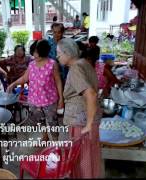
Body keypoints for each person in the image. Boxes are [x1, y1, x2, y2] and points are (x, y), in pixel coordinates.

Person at [57, 38, 102, 178]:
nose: (57, 56)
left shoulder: (76, 68)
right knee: (90, 156)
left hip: (81, 121)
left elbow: (91, 94)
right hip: (87, 119)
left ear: (67, 53)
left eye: (59, 53)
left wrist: (88, 124)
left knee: (82, 159)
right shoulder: (84, 63)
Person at [7, 40, 64, 141]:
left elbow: (58, 81)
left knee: (52, 123)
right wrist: (13, 84)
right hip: (35, 101)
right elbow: (25, 78)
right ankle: (44, 137)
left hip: (49, 100)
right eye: (33, 52)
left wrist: (61, 100)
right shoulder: (32, 64)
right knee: (41, 121)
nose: (34, 55)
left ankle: (56, 143)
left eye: (37, 53)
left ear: (44, 52)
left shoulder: (52, 64)